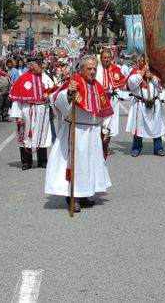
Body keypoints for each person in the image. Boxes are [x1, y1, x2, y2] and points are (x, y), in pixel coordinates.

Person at [45, 55, 113, 212]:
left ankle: (84, 193)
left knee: (90, 164)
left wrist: (105, 129)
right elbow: (58, 100)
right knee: (76, 164)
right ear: (81, 69)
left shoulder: (98, 86)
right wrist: (69, 93)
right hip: (76, 130)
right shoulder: (73, 83)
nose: (92, 72)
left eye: (95, 69)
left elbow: (104, 110)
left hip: (93, 132)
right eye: (89, 69)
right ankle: (72, 197)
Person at [8, 55, 54, 170]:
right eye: (37, 64)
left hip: (42, 110)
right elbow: (17, 100)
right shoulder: (23, 79)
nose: (40, 66)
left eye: (41, 63)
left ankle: (42, 161)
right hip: (27, 110)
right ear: (31, 65)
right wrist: (18, 116)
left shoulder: (46, 78)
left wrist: (49, 96)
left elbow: (54, 93)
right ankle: (26, 162)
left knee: (42, 134)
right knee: (25, 135)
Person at [125, 55, 165, 157]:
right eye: (140, 61)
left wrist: (152, 77)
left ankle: (158, 148)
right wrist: (142, 73)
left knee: (156, 126)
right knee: (138, 127)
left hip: (154, 104)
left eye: (144, 61)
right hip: (140, 104)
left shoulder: (154, 73)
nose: (142, 63)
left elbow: (160, 88)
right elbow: (132, 84)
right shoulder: (135, 72)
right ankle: (136, 148)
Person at [96, 49, 128, 159]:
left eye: (108, 58)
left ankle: (105, 146)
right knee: (99, 124)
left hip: (112, 100)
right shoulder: (96, 69)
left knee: (109, 125)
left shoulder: (115, 69)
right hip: (99, 100)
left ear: (111, 58)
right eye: (104, 58)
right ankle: (98, 146)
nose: (106, 60)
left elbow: (123, 84)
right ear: (101, 58)